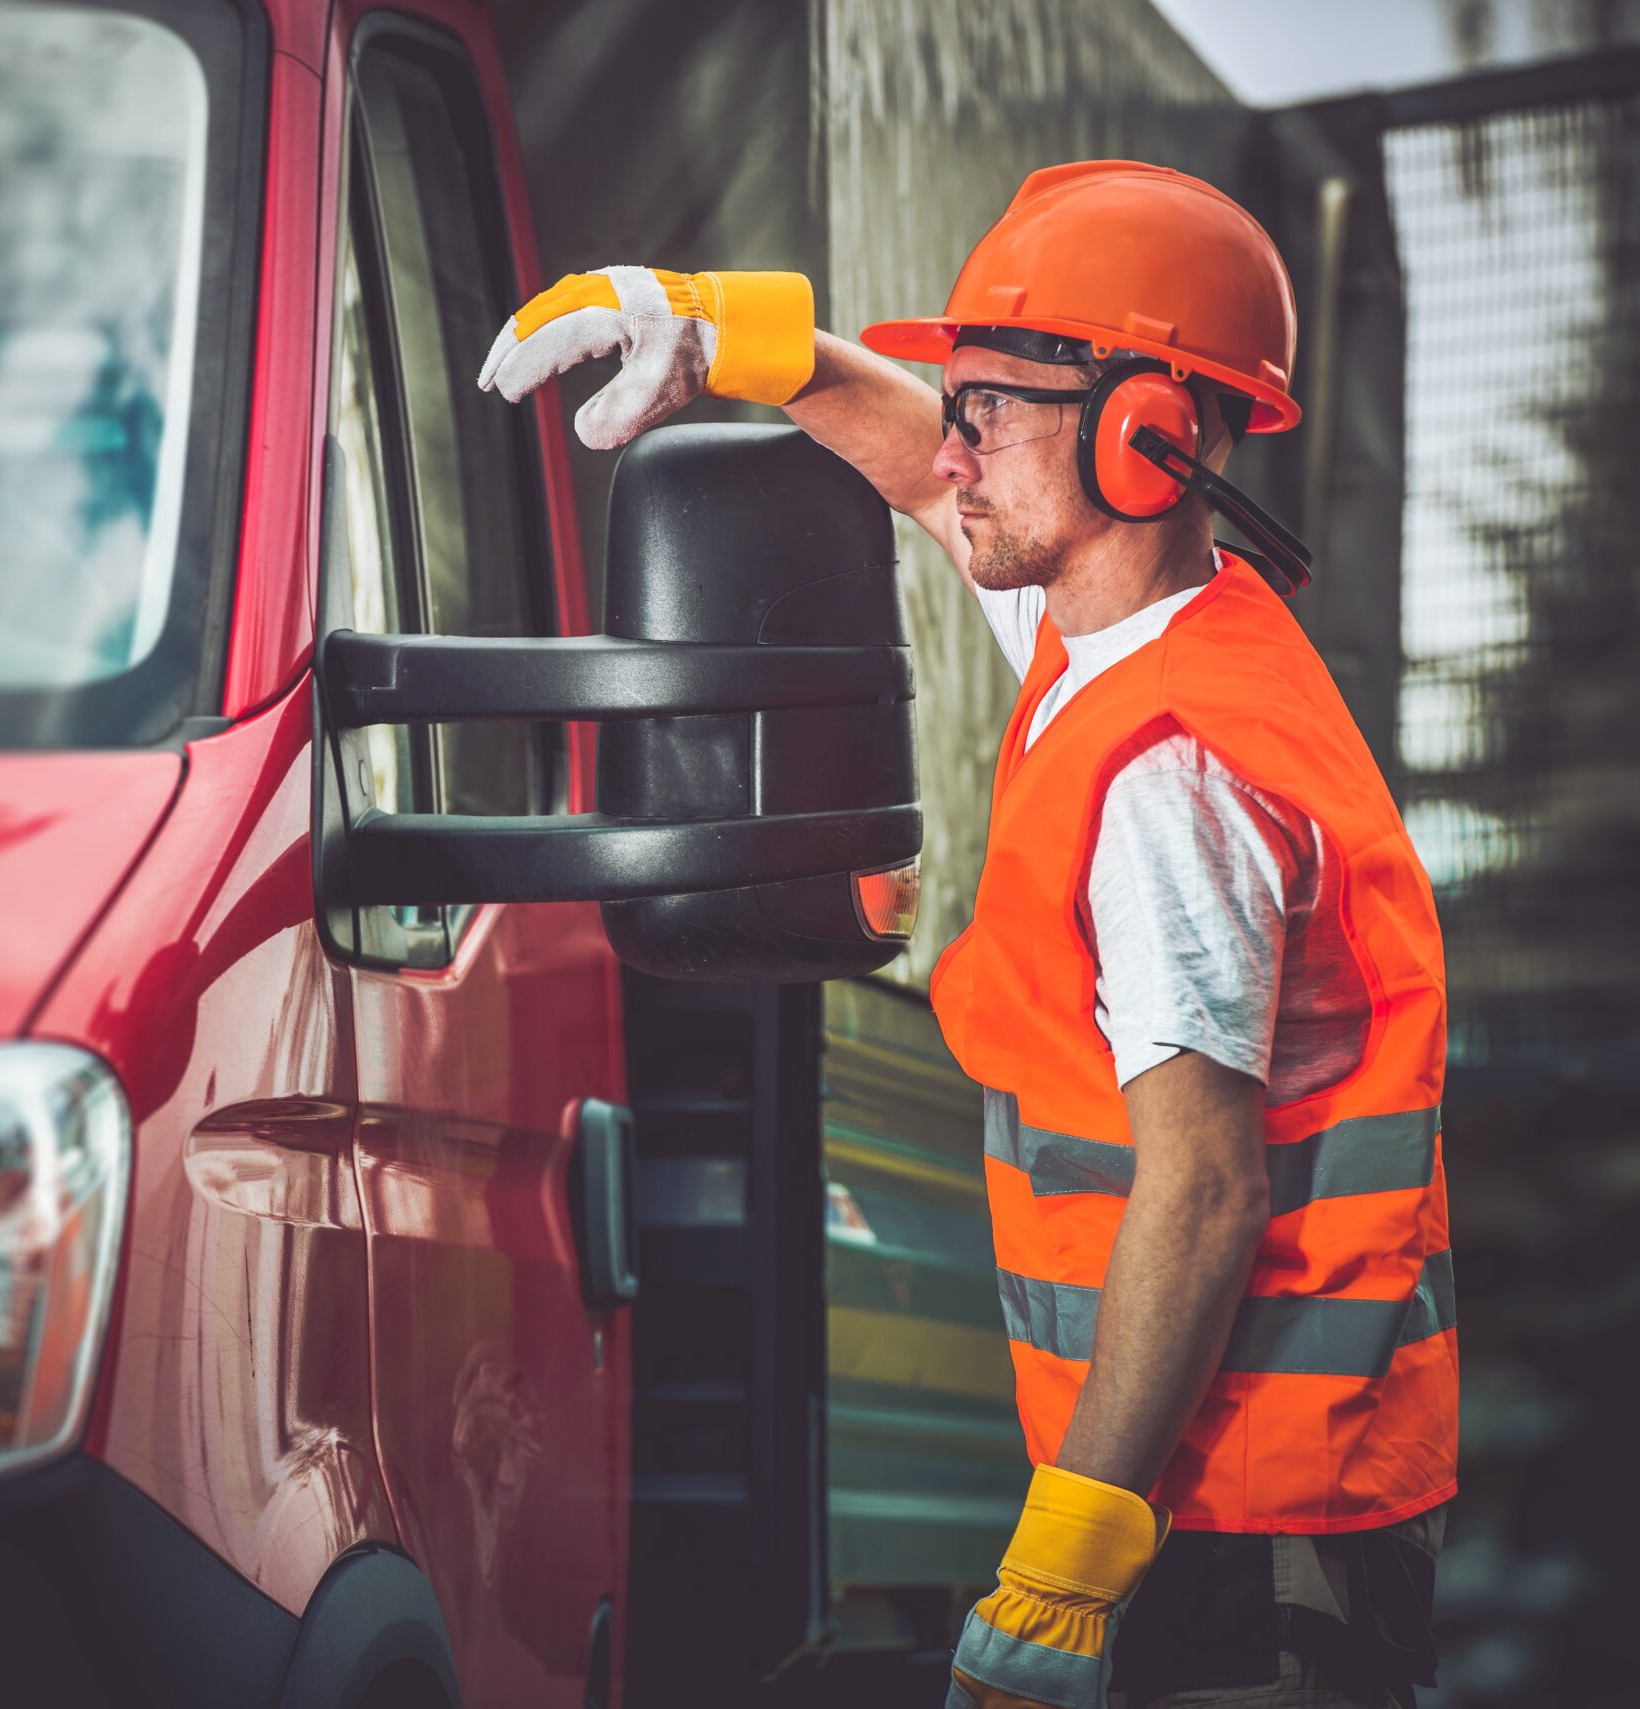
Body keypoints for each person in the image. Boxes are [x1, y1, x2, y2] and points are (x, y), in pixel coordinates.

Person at [480, 161, 1455, 1709]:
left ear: (1152, 437)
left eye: (992, 404)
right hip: (1206, 1478)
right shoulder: (1147, 623)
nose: (955, 444)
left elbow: (1203, 1184)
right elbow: (932, 485)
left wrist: (1061, 1569)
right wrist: (726, 334)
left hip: (1248, 1517)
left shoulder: (1170, 780)